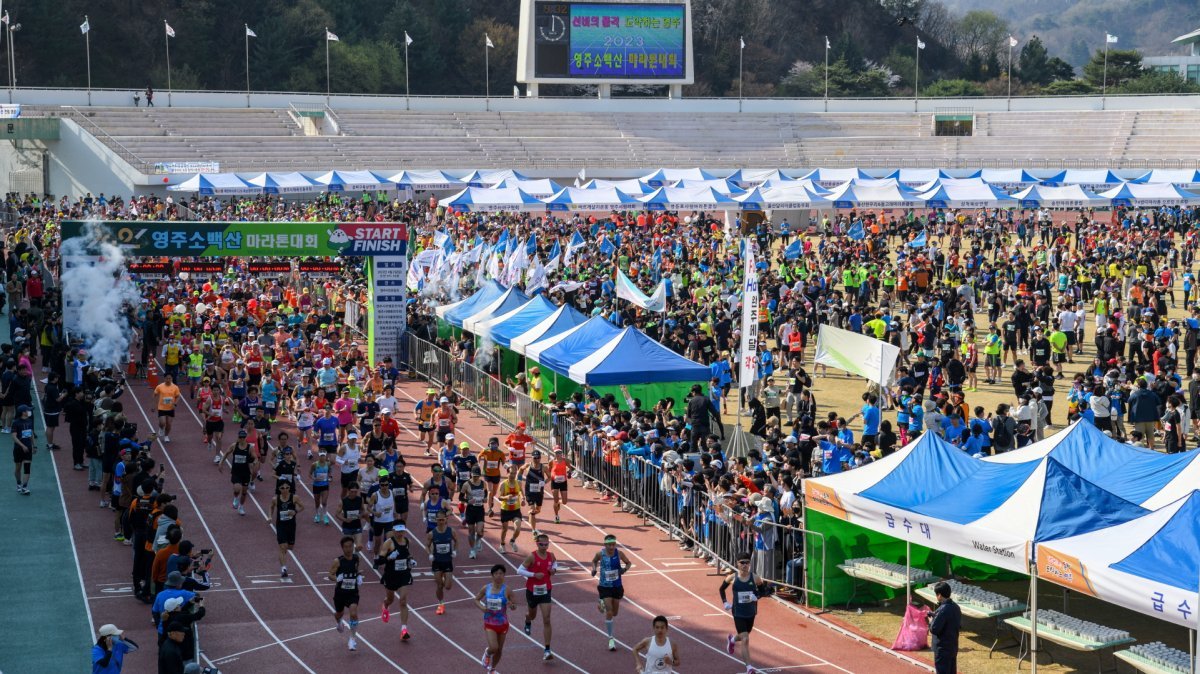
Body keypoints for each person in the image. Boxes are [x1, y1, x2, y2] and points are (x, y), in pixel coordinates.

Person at [719, 552, 769, 674]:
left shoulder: (755, 578)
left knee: (744, 634)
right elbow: (721, 589)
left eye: (747, 562)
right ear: (737, 563)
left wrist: (757, 596)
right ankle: (749, 668)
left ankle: (732, 640)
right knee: (745, 639)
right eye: (742, 563)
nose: (745, 565)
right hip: (738, 613)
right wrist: (725, 602)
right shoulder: (732, 578)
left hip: (751, 612)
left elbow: (763, 592)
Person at [518, 532, 558, 660]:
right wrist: (534, 575)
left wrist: (554, 570)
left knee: (547, 619)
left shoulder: (551, 555)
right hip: (532, 591)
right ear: (537, 544)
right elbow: (519, 570)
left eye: (546, 544)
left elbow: (555, 564)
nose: (544, 546)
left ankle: (547, 650)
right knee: (532, 615)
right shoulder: (532, 557)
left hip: (546, 590)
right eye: (542, 544)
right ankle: (527, 620)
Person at [592, 533, 633, 651]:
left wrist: (624, 569)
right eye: (609, 545)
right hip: (605, 586)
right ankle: (611, 639)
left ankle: (602, 605)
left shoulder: (619, 553)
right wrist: (594, 569)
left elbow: (629, 563)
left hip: (617, 586)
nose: (611, 547)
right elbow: (594, 561)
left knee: (615, 613)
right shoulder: (600, 554)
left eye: (613, 544)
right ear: (605, 545)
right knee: (609, 612)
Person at [374, 522, 414, 641]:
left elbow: (407, 554)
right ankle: (385, 605)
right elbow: (378, 561)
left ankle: (404, 630)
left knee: (403, 601)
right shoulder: (388, 543)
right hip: (391, 575)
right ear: (393, 531)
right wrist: (389, 557)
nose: (400, 533)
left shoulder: (407, 541)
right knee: (390, 599)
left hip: (404, 575)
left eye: (402, 531)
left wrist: (411, 560)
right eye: (398, 531)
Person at [476, 564, 516, 674]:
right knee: (494, 647)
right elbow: (476, 599)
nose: (499, 576)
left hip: (503, 623)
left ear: (504, 575)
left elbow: (514, 606)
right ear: (492, 575)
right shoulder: (486, 588)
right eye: (496, 573)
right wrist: (482, 608)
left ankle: (492, 669)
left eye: (501, 573)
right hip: (489, 622)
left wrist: (512, 605)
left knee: (499, 650)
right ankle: (487, 653)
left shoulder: (507, 590)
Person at [329, 536, 362, 651]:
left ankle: (352, 639)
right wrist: (336, 578)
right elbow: (330, 575)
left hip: (353, 592)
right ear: (342, 548)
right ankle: (339, 622)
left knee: (353, 613)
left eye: (350, 546)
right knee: (339, 613)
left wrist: (358, 576)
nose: (349, 549)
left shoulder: (356, 558)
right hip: (340, 593)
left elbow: (356, 570)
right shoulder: (338, 561)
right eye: (346, 547)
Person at [215, 429, 256, 516]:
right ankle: (236, 497)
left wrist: (254, 462)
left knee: (244, 492)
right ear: (238, 437)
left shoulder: (250, 448)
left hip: (246, 472)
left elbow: (255, 457)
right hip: (236, 472)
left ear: (245, 438)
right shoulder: (234, 446)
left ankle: (241, 507)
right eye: (240, 437)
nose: (242, 439)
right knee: (237, 489)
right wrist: (221, 463)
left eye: (243, 437)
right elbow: (226, 453)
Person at [269, 481, 303, 579]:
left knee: (290, 547)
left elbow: (302, 506)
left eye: (287, 487)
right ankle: (283, 569)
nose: (285, 490)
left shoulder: (294, 497)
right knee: (282, 547)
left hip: (291, 525)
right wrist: (270, 516)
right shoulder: (275, 499)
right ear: (279, 489)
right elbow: (271, 507)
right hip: (281, 526)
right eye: (282, 488)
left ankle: (283, 556)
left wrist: (295, 511)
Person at [928, 580, 962, 674]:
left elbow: (934, 629)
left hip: (942, 648)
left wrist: (931, 621)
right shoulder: (956, 607)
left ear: (939, 595)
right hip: (953, 645)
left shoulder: (942, 610)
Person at [428, 509, 457, 615]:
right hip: (437, 562)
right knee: (439, 585)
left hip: (447, 561)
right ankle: (440, 604)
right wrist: (430, 554)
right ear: (436, 520)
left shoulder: (451, 531)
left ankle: (445, 577)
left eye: (442, 520)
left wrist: (455, 550)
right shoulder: (432, 533)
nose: (440, 522)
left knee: (448, 587)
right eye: (439, 520)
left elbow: (457, 541)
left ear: (446, 519)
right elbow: (427, 545)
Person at [459, 466, 488, 559]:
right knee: (471, 532)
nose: (475, 478)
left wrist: (485, 498)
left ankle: (478, 540)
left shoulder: (483, 483)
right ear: (471, 474)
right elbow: (460, 497)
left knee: (479, 531)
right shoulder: (466, 484)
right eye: (474, 476)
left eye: (477, 476)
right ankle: (472, 550)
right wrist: (468, 501)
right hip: (470, 510)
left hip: (480, 510)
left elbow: (486, 493)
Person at [496, 465, 524, 553]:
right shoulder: (503, 484)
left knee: (518, 528)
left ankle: (512, 541)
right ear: (507, 473)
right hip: (505, 510)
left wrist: (523, 499)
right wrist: (506, 497)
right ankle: (502, 544)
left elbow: (521, 492)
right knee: (505, 529)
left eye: (515, 473)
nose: (513, 475)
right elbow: (499, 497)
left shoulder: (518, 483)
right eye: (511, 473)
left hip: (516, 510)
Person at [519, 449, 547, 533]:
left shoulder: (543, 467)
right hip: (529, 492)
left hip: (539, 492)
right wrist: (519, 478)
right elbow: (520, 469)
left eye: (538, 458)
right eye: (535, 458)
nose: (536, 459)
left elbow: (550, 477)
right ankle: (533, 530)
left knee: (538, 510)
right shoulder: (528, 466)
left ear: (540, 458)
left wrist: (544, 482)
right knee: (533, 510)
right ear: (531, 458)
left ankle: (531, 514)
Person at [11, 403, 34, 494]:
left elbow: (31, 433)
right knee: (18, 468)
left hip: (28, 448)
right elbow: (14, 437)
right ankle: (18, 483)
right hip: (18, 449)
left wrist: (34, 445)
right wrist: (23, 446)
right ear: (23, 412)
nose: (29, 411)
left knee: (27, 468)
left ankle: (24, 487)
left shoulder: (30, 421)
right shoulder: (16, 423)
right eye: (28, 410)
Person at [153, 374, 180, 442]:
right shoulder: (160, 386)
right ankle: (161, 428)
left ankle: (166, 436)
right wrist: (154, 405)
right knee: (162, 423)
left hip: (170, 408)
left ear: (172, 379)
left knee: (169, 424)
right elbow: (155, 395)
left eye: (170, 378)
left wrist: (175, 404)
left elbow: (178, 396)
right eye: (167, 378)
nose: (168, 380)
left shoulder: (175, 387)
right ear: (164, 379)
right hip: (161, 408)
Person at [548, 447, 570, 524]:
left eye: (559, 452)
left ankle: (559, 503)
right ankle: (556, 516)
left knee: (564, 502)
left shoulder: (565, 460)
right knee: (555, 500)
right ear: (554, 453)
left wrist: (569, 472)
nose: (558, 454)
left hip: (563, 482)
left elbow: (570, 468)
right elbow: (549, 470)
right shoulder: (551, 461)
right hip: (555, 482)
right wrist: (552, 476)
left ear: (561, 453)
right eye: (556, 453)